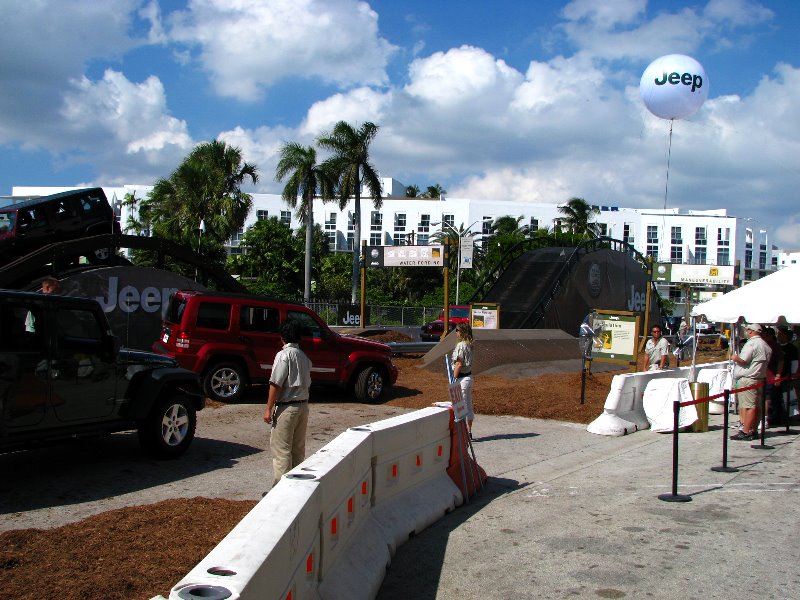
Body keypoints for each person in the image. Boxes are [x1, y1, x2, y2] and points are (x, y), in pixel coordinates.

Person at [263, 319, 312, 488]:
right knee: (298, 450)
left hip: (287, 407)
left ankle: (280, 490)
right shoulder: (304, 357)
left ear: (282, 336)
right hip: (303, 406)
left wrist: (268, 408)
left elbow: (276, 383)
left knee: (282, 451)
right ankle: (296, 488)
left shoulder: (283, 355)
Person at [730, 323, 772, 440]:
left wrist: (735, 357)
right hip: (759, 378)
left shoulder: (752, 344)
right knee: (757, 406)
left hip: (748, 379)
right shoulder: (766, 345)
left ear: (750, 331)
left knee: (749, 406)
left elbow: (743, 360)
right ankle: (753, 429)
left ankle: (746, 431)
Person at [451, 322, 475, 438]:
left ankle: (462, 434)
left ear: (462, 332)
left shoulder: (461, 345)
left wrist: (453, 379)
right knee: (468, 406)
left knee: (461, 408)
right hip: (469, 377)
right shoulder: (470, 344)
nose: (456, 332)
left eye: (457, 330)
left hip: (461, 379)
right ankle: (469, 431)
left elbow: (459, 364)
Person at [762, 327, 784, 426]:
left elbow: (781, 361)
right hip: (762, 376)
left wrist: (778, 375)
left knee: (767, 398)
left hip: (770, 376)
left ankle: (766, 419)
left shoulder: (774, 346)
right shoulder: (762, 344)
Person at [777, 327, 799, 422]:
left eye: (781, 334)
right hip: (777, 376)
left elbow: (795, 362)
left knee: (789, 396)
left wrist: (793, 375)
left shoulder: (791, 348)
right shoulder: (777, 346)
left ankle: (790, 416)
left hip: (788, 375)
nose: (778, 336)